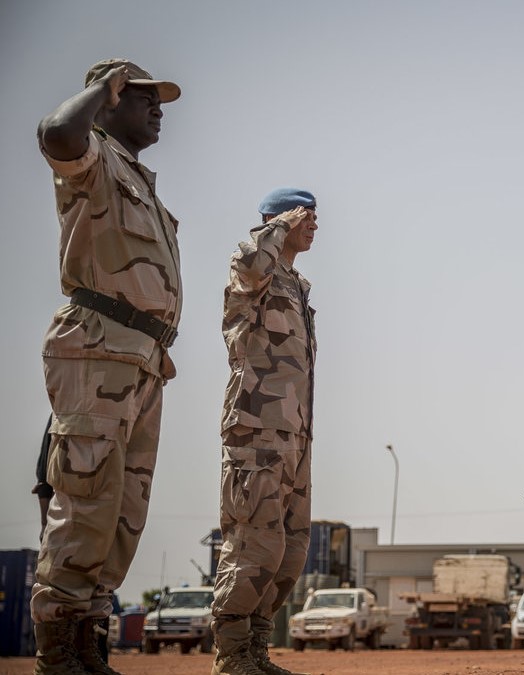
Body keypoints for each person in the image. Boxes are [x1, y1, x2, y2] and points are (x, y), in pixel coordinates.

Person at [32, 58, 182, 675]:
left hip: (144, 357)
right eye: (143, 96)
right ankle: (58, 653)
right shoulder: (90, 154)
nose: (158, 108)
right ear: (113, 97)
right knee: (87, 497)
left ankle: (88, 645)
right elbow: (54, 135)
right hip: (97, 345)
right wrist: (101, 87)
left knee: (123, 511)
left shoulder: (139, 178)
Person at [210, 189, 319, 675]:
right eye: (307, 216)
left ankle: (255, 649)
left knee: (290, 551)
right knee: (254, 543)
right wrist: (275, 228)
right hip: (255, 431)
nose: (315, 225)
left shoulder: (296, 284)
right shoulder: (254, 268)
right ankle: (231, 657)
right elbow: (254, 263)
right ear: (281, 219)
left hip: (294, 437)